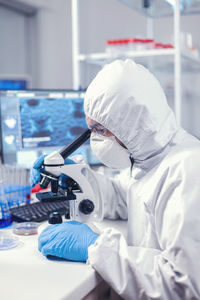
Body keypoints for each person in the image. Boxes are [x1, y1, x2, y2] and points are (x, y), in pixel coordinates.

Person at [31, 59, 200, 299]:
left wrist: (96, 248)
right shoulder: (149, 159)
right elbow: (124, 197)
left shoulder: (188, 170)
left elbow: (183, 287)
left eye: (100, 130)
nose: (95, 139)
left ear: (131, 123)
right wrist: (77, 178)